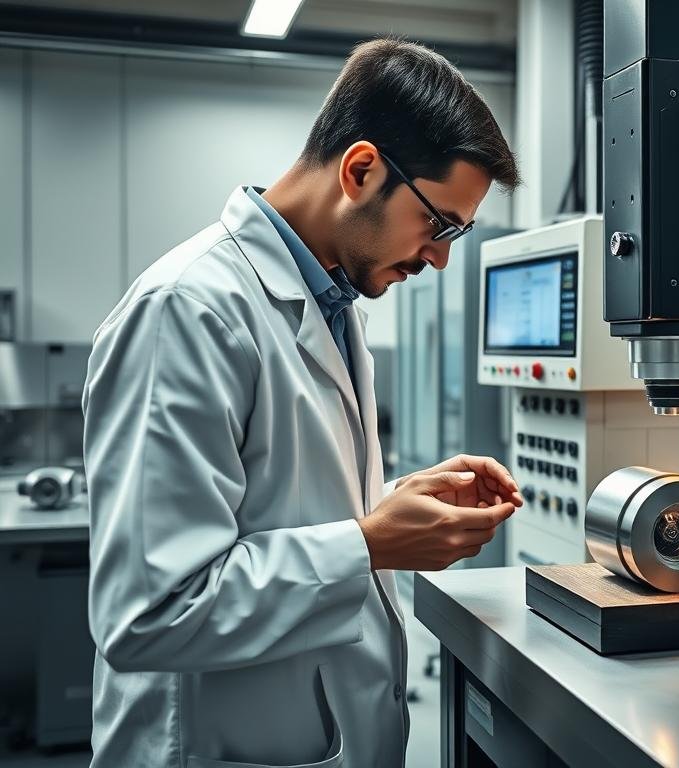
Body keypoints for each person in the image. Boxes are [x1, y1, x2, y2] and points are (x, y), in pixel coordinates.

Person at [82, 38, 522, 768]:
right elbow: (148, 614)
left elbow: (270, 510)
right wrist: (372, 542)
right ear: (361, 169)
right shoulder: (188, 310)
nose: (442, 256)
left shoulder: (335, 303)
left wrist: (388, 504)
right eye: (439, 224)